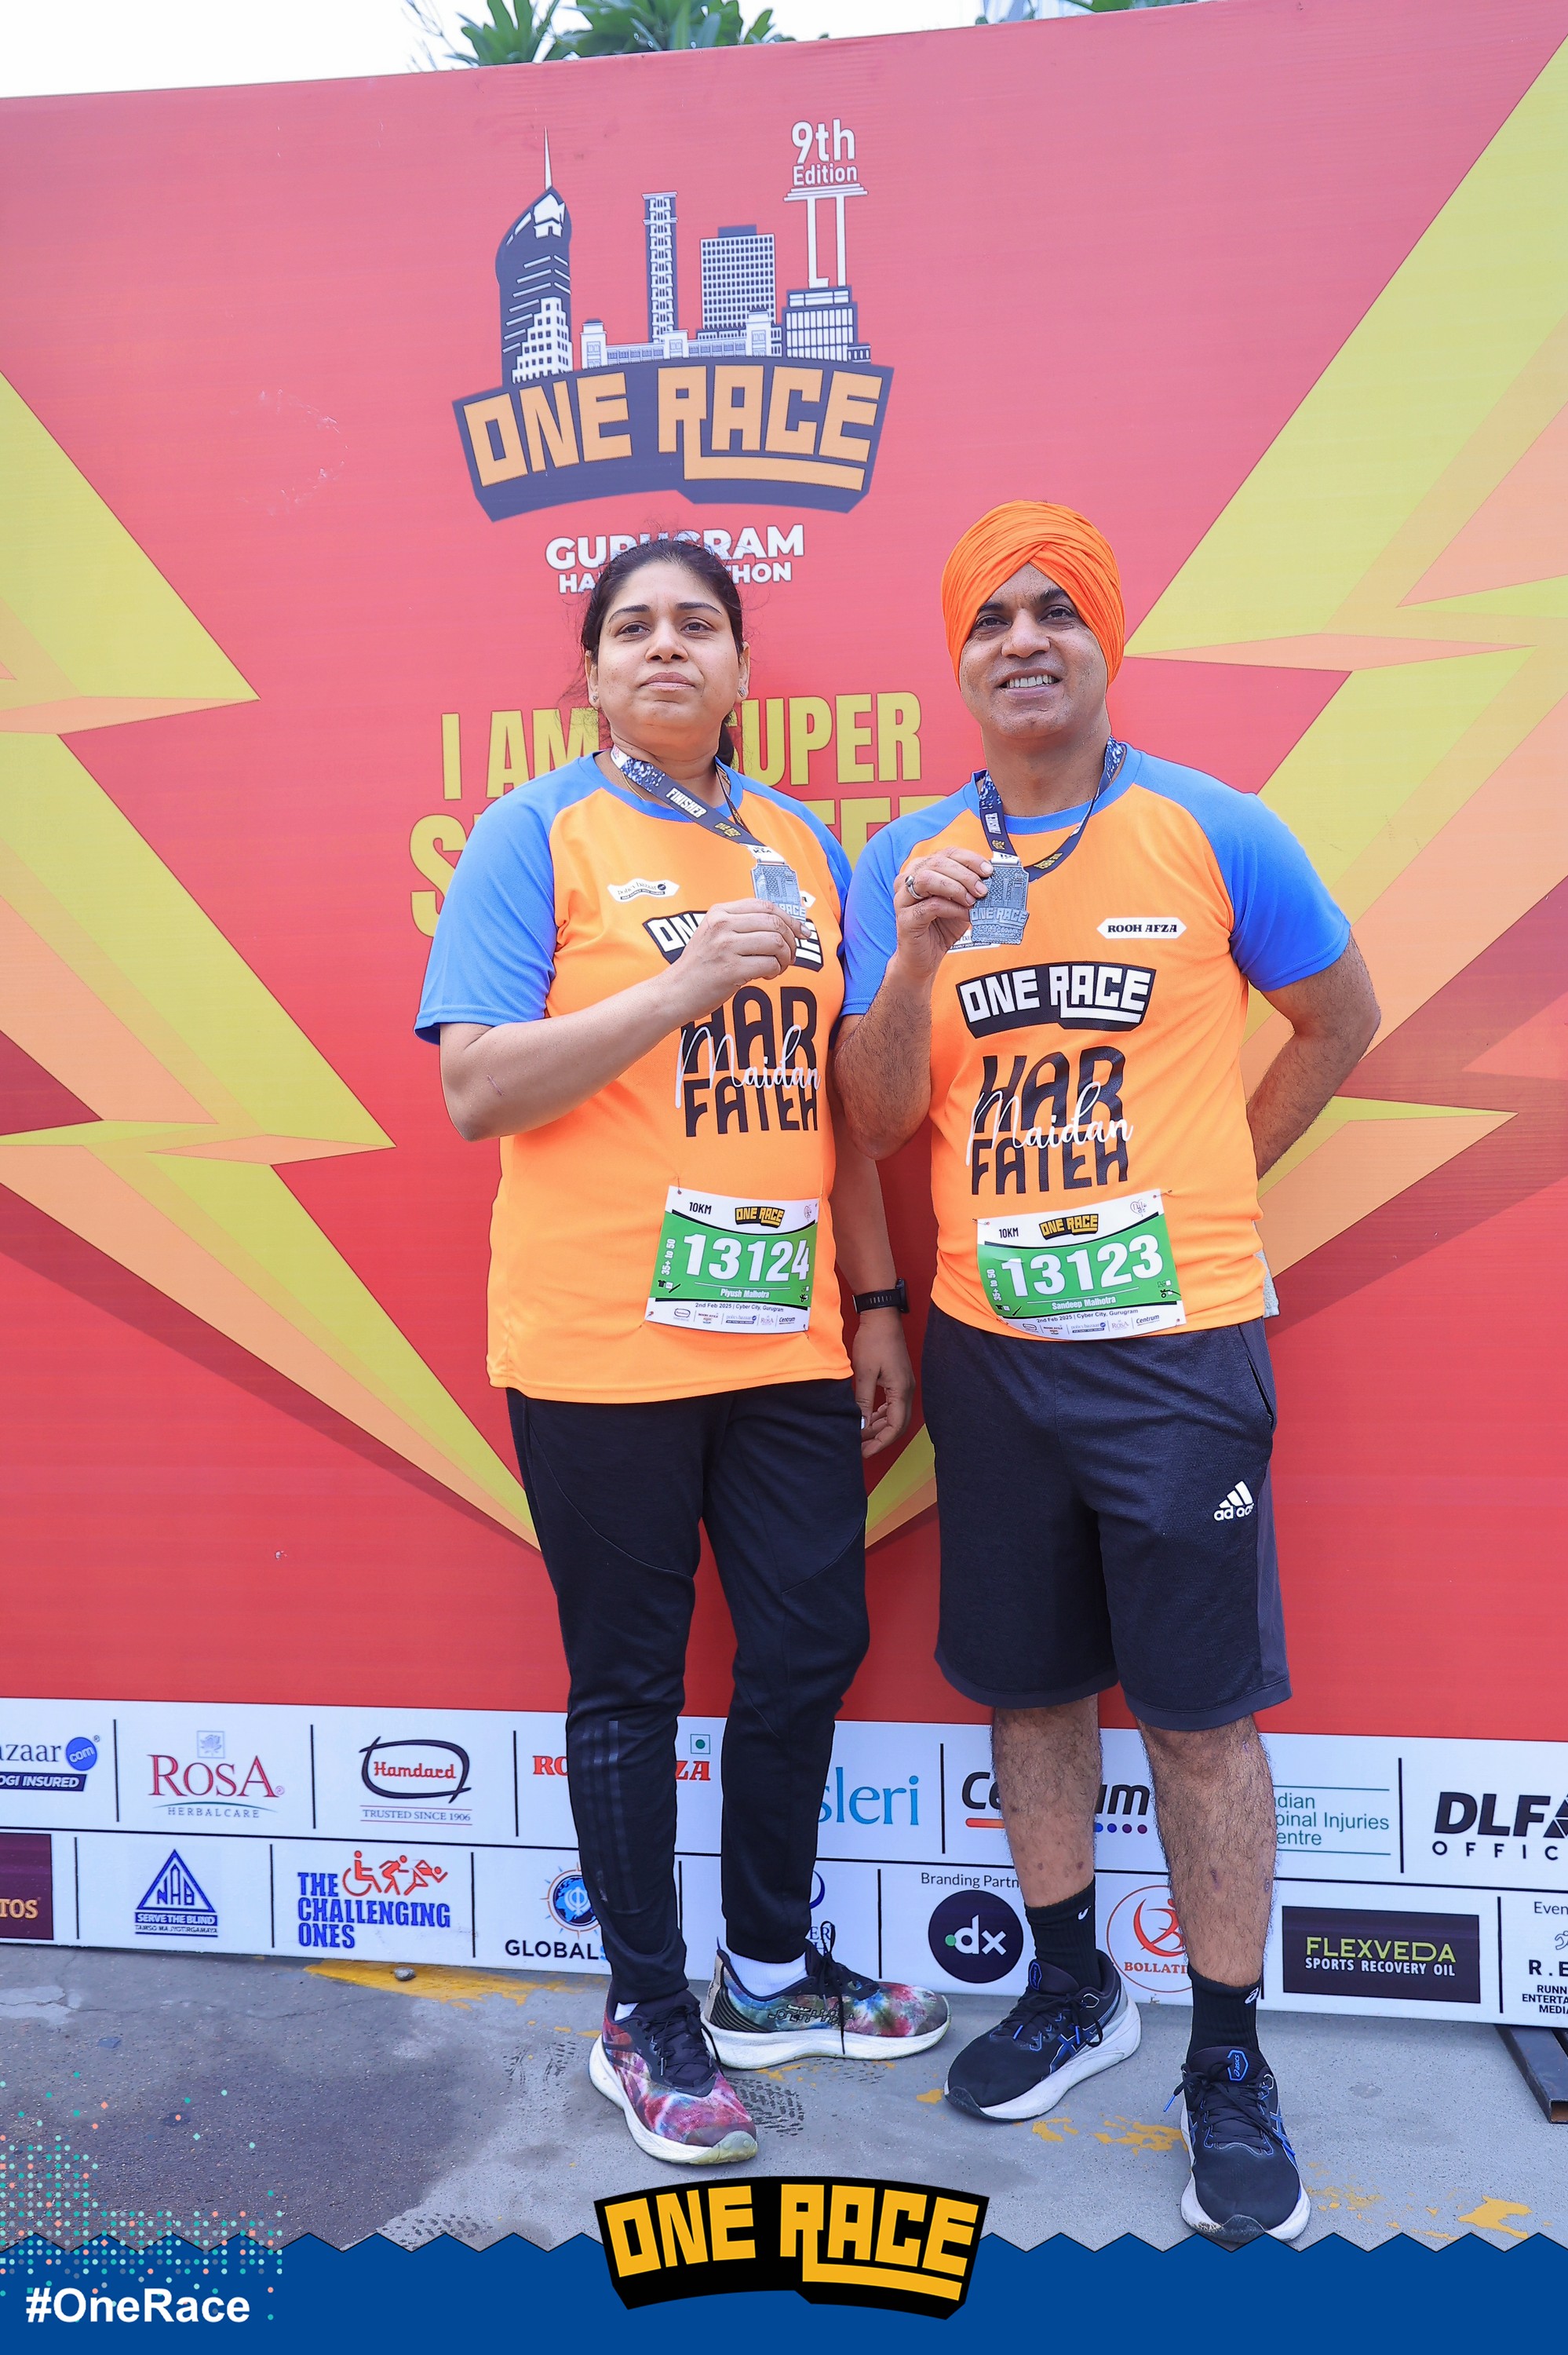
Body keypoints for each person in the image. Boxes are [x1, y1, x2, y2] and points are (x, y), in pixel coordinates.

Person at [835, 502, 1380, 2245]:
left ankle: (1227, 2057)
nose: (1023, 639)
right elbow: (873, 1116)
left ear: (1102, 640)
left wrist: (1217, 1174)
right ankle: (1072, 1986)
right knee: (1032, 1691)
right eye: (989, 616)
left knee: (1202, 1720)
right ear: (958, 659)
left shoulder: (1216, 828)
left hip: (1177, 1349)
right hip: (995, 1359)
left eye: (1054, 609)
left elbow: (1343, 1017)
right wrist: (915, 954)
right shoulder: (906, 859)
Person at [416, 538, 949, 2169]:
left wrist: (874, 1302)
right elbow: (475, 1089)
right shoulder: (535, 833)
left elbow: (837, 1113)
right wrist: (680, 985)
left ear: (739, 670)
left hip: (781, 1337)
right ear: (591, 674)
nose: (667, 647)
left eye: (697, 625)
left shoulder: (802, 845)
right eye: (633, 626)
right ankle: (645, 2012)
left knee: (807, 1642)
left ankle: (767, 1973)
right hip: (599, 1347)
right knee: (632, 1684)